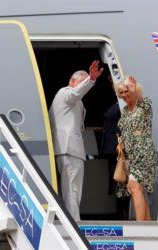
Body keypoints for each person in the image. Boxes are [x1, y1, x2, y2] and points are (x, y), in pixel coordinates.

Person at [49, 60, 104, 221]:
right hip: (69, 148)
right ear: (71, 82)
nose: (82, 89)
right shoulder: (65, 93)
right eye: (81, 84)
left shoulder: (74, 100)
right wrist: (91, 80)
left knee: (71, 188)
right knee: (72, 188)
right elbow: (75, 93)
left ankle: (72, 219)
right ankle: (74, 223)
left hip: (68, 149)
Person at [114, 76, 157, 221]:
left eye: (127, 91)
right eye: (121, 93)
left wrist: (135, 90)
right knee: (137, 189)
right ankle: (148, 224)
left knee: (134, 186)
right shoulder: (125, 111)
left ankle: (141, 226)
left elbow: (143, 101)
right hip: (130, 155)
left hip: (143, 153)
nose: (125, 95)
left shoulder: (144, 105)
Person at [100, 77, 130, 220]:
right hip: (111, 149)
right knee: (117, 182)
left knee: (121, 181)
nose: (113, 86)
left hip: (119, 150)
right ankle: (120, 213)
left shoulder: (123, 103)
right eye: (111, 84)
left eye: (115, 84)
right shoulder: (115, 102)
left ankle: (123, 215)